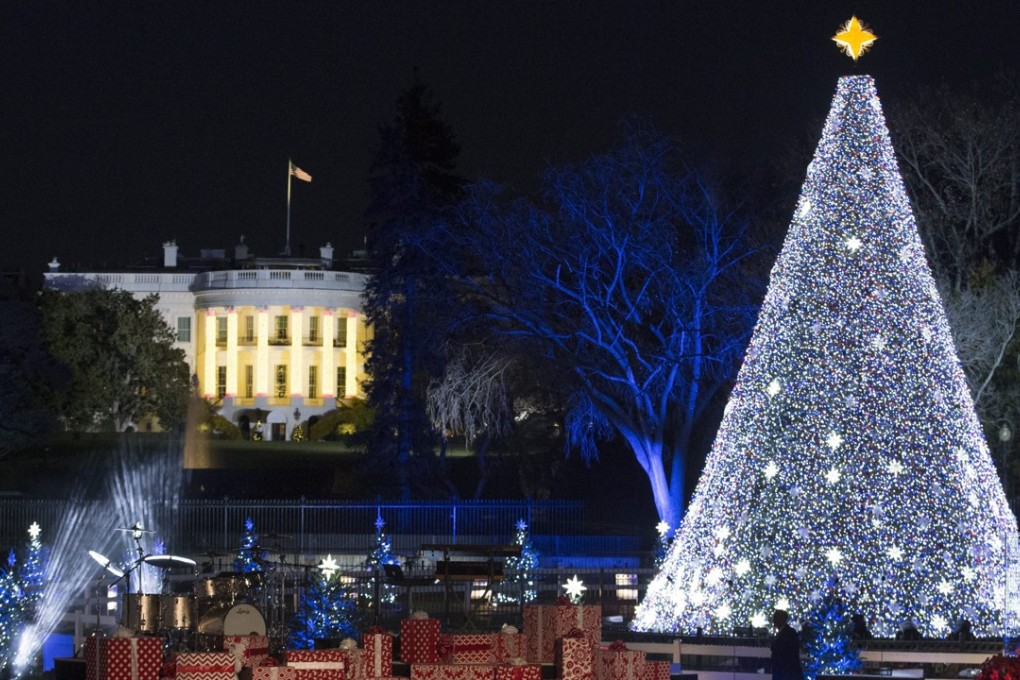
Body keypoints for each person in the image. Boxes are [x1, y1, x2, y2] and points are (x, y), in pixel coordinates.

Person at [771, 609, 804, 680]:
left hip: (786, 672)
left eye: (776, 618)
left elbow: (787, 652)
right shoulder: (786, 632)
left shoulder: (789, 633)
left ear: (782, 619)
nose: (774, 620)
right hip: (785, 671)